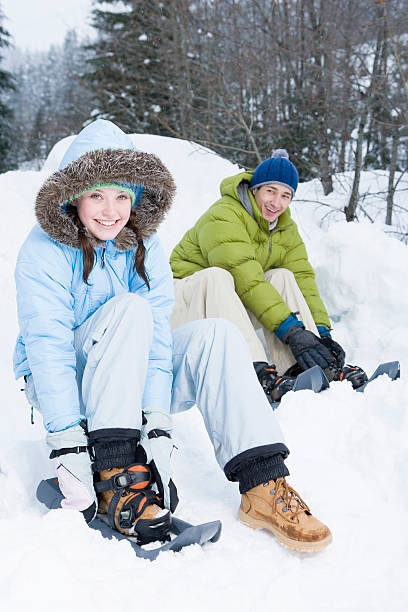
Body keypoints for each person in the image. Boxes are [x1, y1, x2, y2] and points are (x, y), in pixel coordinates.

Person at [14, 121, 331, 551]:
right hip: (69, 385)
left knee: (215, 336)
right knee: (128, 309)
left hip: (125, 379)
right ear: (73, 195)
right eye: (97, 195)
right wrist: (68, 445)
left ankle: (263, 482)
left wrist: (158, 429)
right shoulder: (43, 250)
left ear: (137, 197)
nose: (111, 209)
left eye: (123, 195)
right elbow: (47, 349)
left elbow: (158, 348)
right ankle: (114, 476)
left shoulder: (146, 247)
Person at [170, 150, 367, 405]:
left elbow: (303, 279)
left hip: (227, 308)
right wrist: (291, 331)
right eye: (270, 191)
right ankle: (255, 371)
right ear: (255, 189)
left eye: (286, 195)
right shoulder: (224, 215)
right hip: (184, 308)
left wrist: (321, 335)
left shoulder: (285, 227)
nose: (277, 202)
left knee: (282, 276)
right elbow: (245, 279)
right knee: (217, 276)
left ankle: (307, 367)